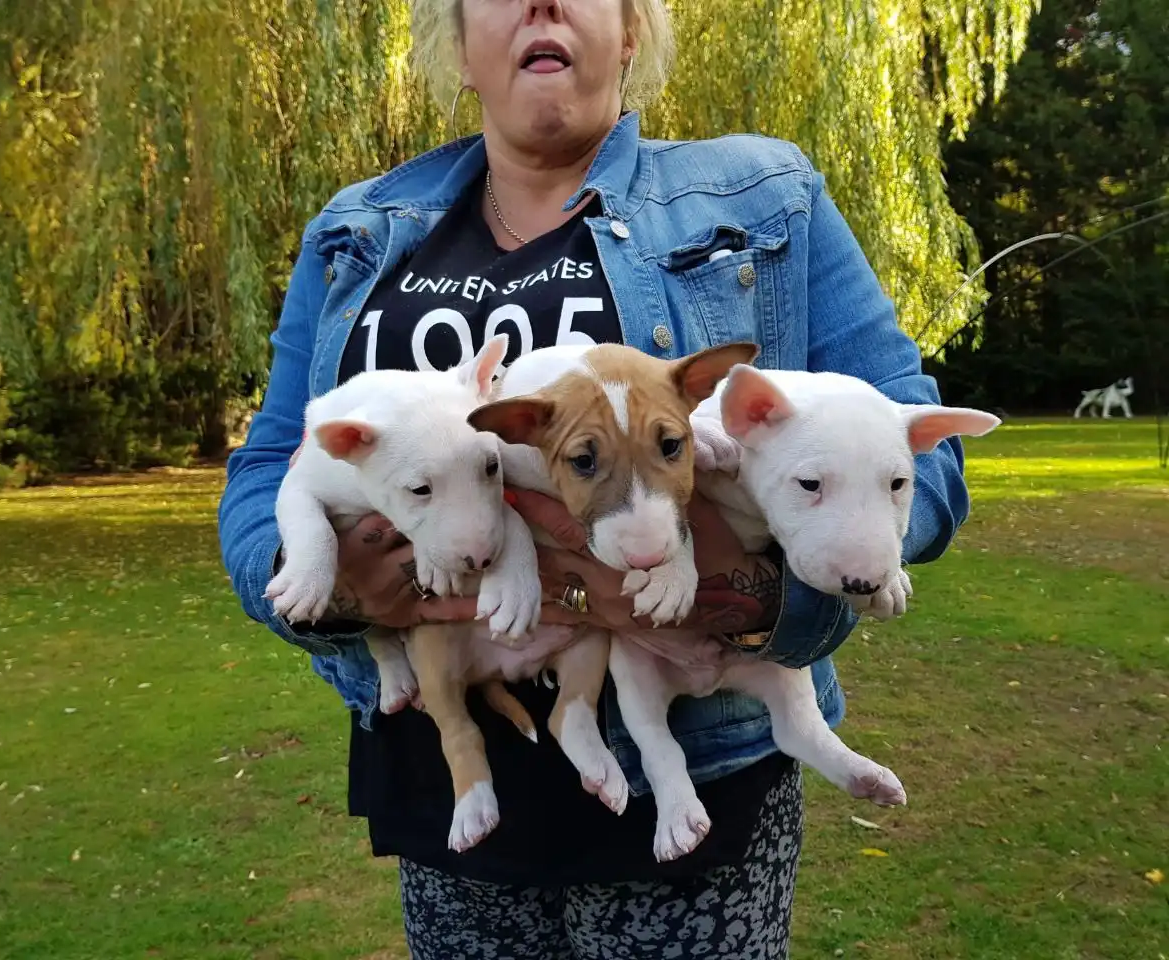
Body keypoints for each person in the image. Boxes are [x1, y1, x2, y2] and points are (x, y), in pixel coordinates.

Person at [217, 0, 974, 954]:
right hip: (447, 779)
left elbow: (924, 456)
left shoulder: (766, 193)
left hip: (699, 760)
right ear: (457, 41)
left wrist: (757, 590)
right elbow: (269, 463)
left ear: (631, 29)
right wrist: (315, 586)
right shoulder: (355, 229)